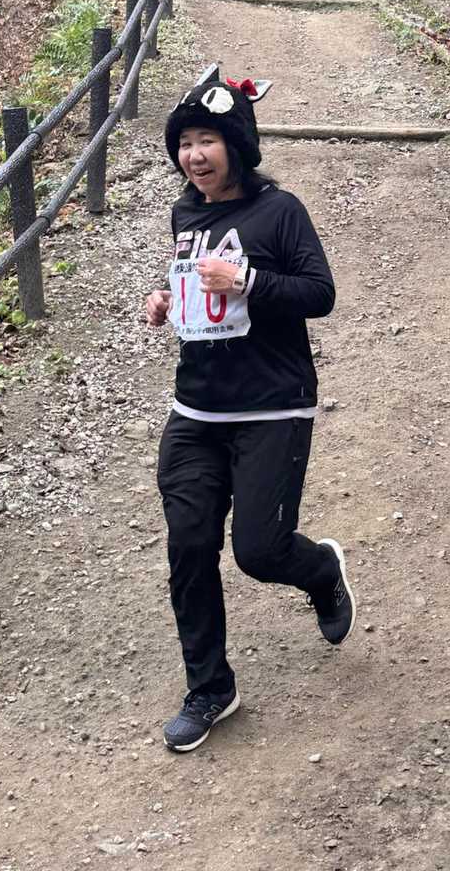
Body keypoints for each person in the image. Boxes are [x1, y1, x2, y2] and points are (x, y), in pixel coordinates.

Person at [144, 65, 355, 753]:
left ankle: (321, 571)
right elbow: (196, 293)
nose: (194, 156)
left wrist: (247, 279)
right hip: (196, 410)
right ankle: (210, 689)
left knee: (260, 552)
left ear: (236, 144)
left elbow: (319, 294)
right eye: (184, 144)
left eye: (206, 140)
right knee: (189, 547)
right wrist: (166, 300)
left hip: (272, 406)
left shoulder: (280, 211)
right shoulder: (185, 213)